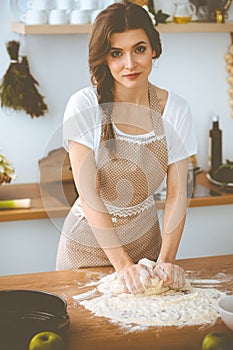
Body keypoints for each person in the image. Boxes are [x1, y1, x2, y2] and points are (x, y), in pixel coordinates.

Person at [56, 0, 197, 294]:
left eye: (139, 49)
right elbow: (89, 193)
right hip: (86, 251)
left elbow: (177, 193)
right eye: (116, 53)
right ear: (103, 58)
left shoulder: (175, 110)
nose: (130, 64)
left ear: (154, 49)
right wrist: (122, 265)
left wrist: (166, 260)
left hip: (149, 247)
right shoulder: (84, 105)